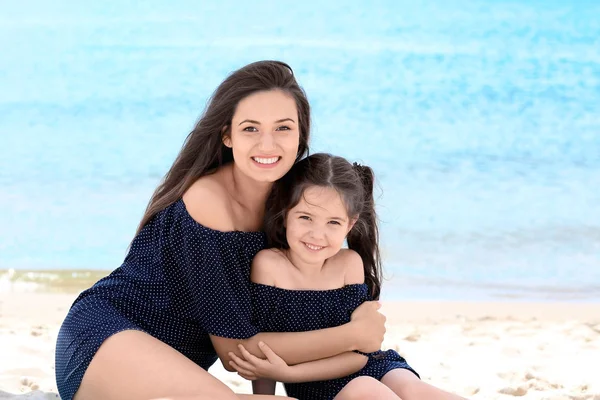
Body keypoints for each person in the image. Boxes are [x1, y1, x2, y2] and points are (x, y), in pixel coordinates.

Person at [54, 61, 387, 400]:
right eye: (250, 129)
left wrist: (359, 324)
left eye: (283, 128)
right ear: (227, 135)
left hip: (177, 363)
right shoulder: (208, 202)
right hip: (109, 336)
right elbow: (236, 353)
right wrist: (354, 336)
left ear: (301, 134)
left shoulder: (292, 202)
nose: (268, 144)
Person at [228, 153, 468, 400]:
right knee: (366, 389)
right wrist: (266, 395)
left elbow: (359, 355)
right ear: (285, 213)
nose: (317, 234)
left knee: (412, 389)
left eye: (333, 222)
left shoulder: (348, 264)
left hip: (368, 366)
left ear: (350, 225)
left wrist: (289, 375)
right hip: (317, 385)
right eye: (305, 217)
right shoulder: (269, 265)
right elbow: (264, 354)